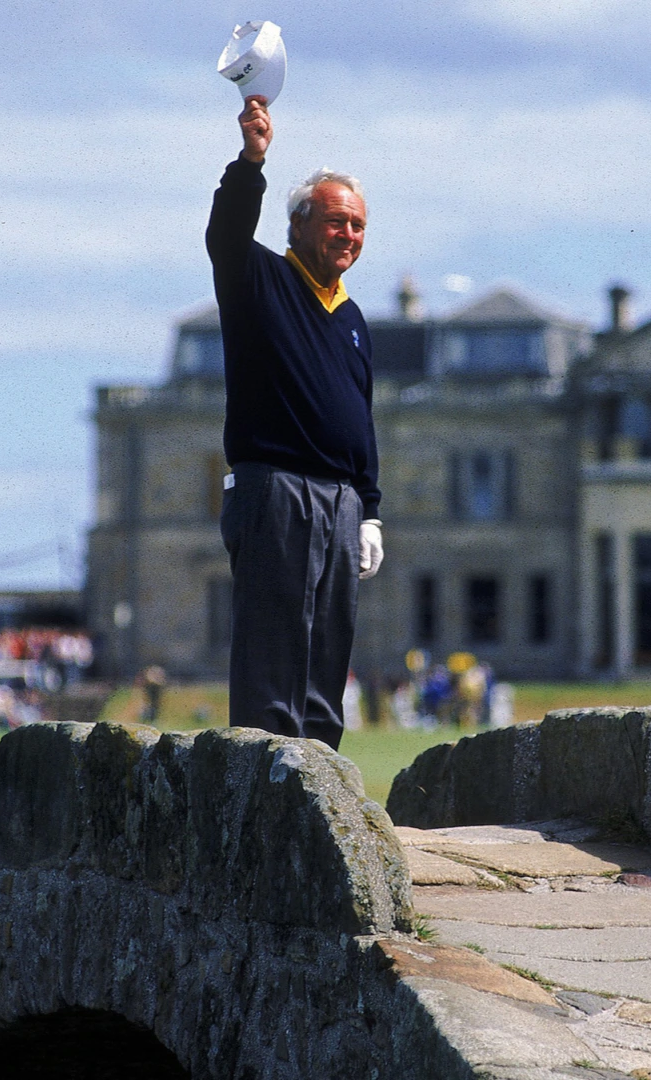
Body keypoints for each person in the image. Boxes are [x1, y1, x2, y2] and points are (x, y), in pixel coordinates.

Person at [207, 94, 383, 751]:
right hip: (274, 489)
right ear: (301, 223)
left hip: (340, 502)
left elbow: (358, 421)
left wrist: (369, 509)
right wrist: (252, 160)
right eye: (338, 223)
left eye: (360, 227)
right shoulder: (258, 278)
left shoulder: (355, 318)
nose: (349, 237)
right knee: (272, 660)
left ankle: (321, 795)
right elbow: (225, 233)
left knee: (325, 659)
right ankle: (262, 800)